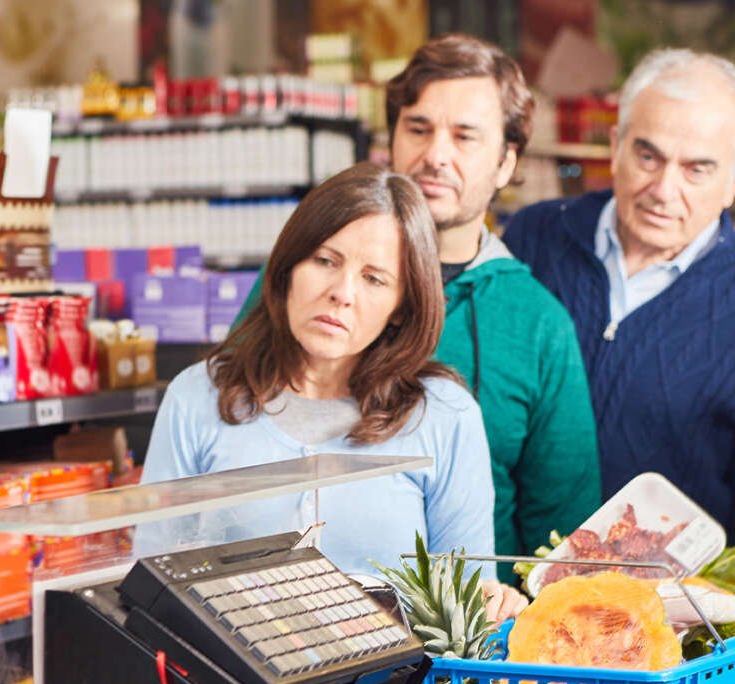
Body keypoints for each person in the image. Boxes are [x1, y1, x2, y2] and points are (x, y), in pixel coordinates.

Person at [234, 35, 600, 574]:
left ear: (506, 163)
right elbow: (228, 417)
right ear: (392, 139)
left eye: (465, 137)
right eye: (419, 128)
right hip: (279, 616)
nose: (436, 155)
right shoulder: (307, 276)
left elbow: (562, 542)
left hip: (468, 641)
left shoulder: (537, 325)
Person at [145, 162, 524, 617]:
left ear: (401, 307)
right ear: (287, 269)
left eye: (374, 278)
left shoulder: (445, 415)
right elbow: (151, 583)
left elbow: (467, 604)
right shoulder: (198, 397)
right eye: (326, 260)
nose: (342, 292)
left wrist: (498, 603)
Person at [503, 49, 735, 533]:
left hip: (676, 599)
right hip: (508, 577)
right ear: (615, 146)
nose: (664, 189)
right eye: (648, 156)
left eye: (698, 169)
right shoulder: (532, 238)